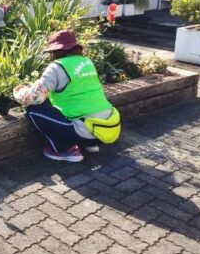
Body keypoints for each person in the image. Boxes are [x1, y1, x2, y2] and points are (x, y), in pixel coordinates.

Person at [13, 30, 121, 162]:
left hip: (84, 131)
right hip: (106, 129)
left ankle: (65, 150)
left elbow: (35, 98)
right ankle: (90, 145)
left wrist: (19, 92)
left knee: (33, 110)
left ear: (54, 51)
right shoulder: (87, 62)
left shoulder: (56, 67)